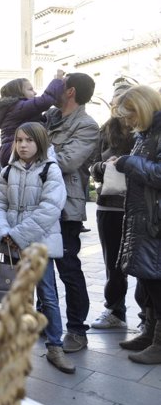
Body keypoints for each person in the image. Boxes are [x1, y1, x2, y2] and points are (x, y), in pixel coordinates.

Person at [0, 122, 74, 373]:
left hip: (39, 244)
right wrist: (3, 232)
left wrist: (17, 235)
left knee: (47, 295)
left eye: (29, 140)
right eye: (19, 140)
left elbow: (50, 209)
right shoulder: (7, 170)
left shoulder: (51, 170)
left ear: (40, 142)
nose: (23, 145)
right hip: (11, 245)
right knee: (14, 295)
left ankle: (55, 346)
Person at [44, 72, 99, 353]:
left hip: (66, 207)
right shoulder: (50, 118)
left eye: (60, 86)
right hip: (39, 203)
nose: (54, 89)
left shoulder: (87, 125)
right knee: (39, 267)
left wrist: (36, 147)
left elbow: (66, 161)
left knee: (68, 267)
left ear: (70, 92)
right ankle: (45, 320)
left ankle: (77, 329)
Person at [112, 85, 161, 364]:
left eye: (130, 115)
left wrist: (129, 162)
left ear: (142, 108)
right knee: (148, 278)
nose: (127, 122)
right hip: (144, 219)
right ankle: (151, 333)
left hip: (155, 221)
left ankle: (159, 343)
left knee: (157, 281)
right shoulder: (146, 134)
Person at [89, 84, 136, 330]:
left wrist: (128, 164)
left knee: (145, 261)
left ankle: (149, 317)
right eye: (116, 101)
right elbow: (92, 164)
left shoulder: (145, 130)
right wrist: (104, 167)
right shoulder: (105, 130)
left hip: (140, 205)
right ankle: (115, 310)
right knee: (113, 263)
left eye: (125, 100)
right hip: (109, 205)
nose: (119, 106)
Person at [0, 72, 65, 167]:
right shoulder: (19, 107)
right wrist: (57, 80)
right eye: (30, 89)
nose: (35, 93)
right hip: (17, 151)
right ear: (19, 93)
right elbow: (45, 100)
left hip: (11, 150)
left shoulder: (13, 108)